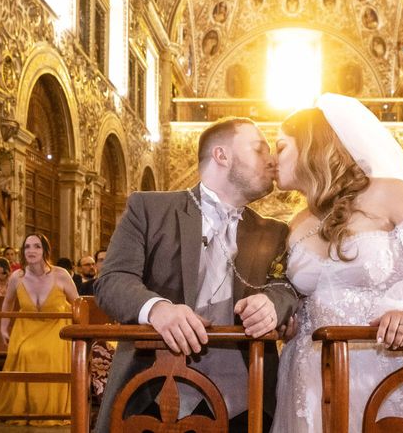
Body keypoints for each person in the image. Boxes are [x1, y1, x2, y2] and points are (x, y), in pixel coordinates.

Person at [271, 94, 403, 432]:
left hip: (389, 362)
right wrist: (289, 317)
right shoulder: (296, 222)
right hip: (314, 371)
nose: (272, 158)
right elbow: (301, 293)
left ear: (311, 146)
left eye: (281, 146)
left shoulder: (388, 193)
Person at [95, 117, 299, 433]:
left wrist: (274, 304)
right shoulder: (149, 209)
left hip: (245, 402)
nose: (271, 159)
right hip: (149, 393)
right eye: (259, 148)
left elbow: (285, 285)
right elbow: (112, 280)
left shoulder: (274, 232)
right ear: (222, 155)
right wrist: (158, 309)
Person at [0, 233, 78, 425]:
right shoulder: (17, 277)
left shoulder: (60, 274)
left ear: (45, 250)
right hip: (26, 328)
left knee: (49, 353)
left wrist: (79, 329)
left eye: (36, 246)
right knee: (25, 352)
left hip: (56, 327)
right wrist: (3, 327)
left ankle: (51, 410)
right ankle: (25, 408)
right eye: (27, 247)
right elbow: (8, 303)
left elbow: (78, 303)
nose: (31, 251)